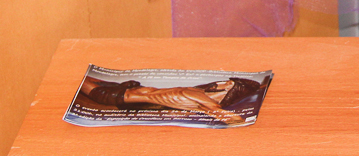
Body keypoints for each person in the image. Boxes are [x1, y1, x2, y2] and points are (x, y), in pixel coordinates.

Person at [80, 76, 260, 125]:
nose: (219, 83)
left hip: (121, 97)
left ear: (231, 90)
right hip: (128, 91)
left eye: (227, 84)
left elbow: (232, 118)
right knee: (83, 78)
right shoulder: (199, 94)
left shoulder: (205, 102)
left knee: (82, 82)